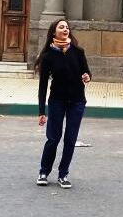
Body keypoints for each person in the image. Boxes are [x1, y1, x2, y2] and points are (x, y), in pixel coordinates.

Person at [36, 19, 91, 189]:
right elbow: (43, 85)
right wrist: (41, 111)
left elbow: (86, 72)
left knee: (70, 139)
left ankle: (63, 174)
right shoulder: (47, 56)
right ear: (54, 32)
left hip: (77, 101)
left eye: (67, 27)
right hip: (57, 100)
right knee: (53, 138)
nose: (65, 29)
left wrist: (87, 76)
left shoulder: (78, 51)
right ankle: (44, 172)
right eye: (61, 27)